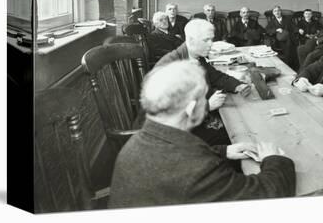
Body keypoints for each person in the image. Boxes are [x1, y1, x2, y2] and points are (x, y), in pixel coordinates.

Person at [108, 60, 296, 208]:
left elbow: (177, 156)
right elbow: (266, 196)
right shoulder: (197, 168)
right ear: (191, 108)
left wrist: (224, 151)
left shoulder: (136, 142)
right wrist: (274, 159)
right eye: (203, 97)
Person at [156, 19, 251, 145]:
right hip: (180, 132)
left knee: (242, 126)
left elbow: (216, 77)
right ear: (190, 40)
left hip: (200, 118)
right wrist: (208, 106)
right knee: (240, 135)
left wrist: (238, 85)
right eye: (206, 40)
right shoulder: (170, 65)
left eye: (211, 39)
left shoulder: (196, 57)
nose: (211, 44)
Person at [265, 5, 297, 69]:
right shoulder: (272, 22)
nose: (277, 12)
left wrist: (299, 30)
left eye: (278, 11)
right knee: (288, 45)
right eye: (275, 11)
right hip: (277, 40)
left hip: (289, 38)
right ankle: (287, 65)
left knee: (290, 44)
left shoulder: (287, 20)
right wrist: (276, 30)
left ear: (280, 12)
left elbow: (294, 27)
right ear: (273, 13)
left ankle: (290, 65)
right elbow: (267, 30)